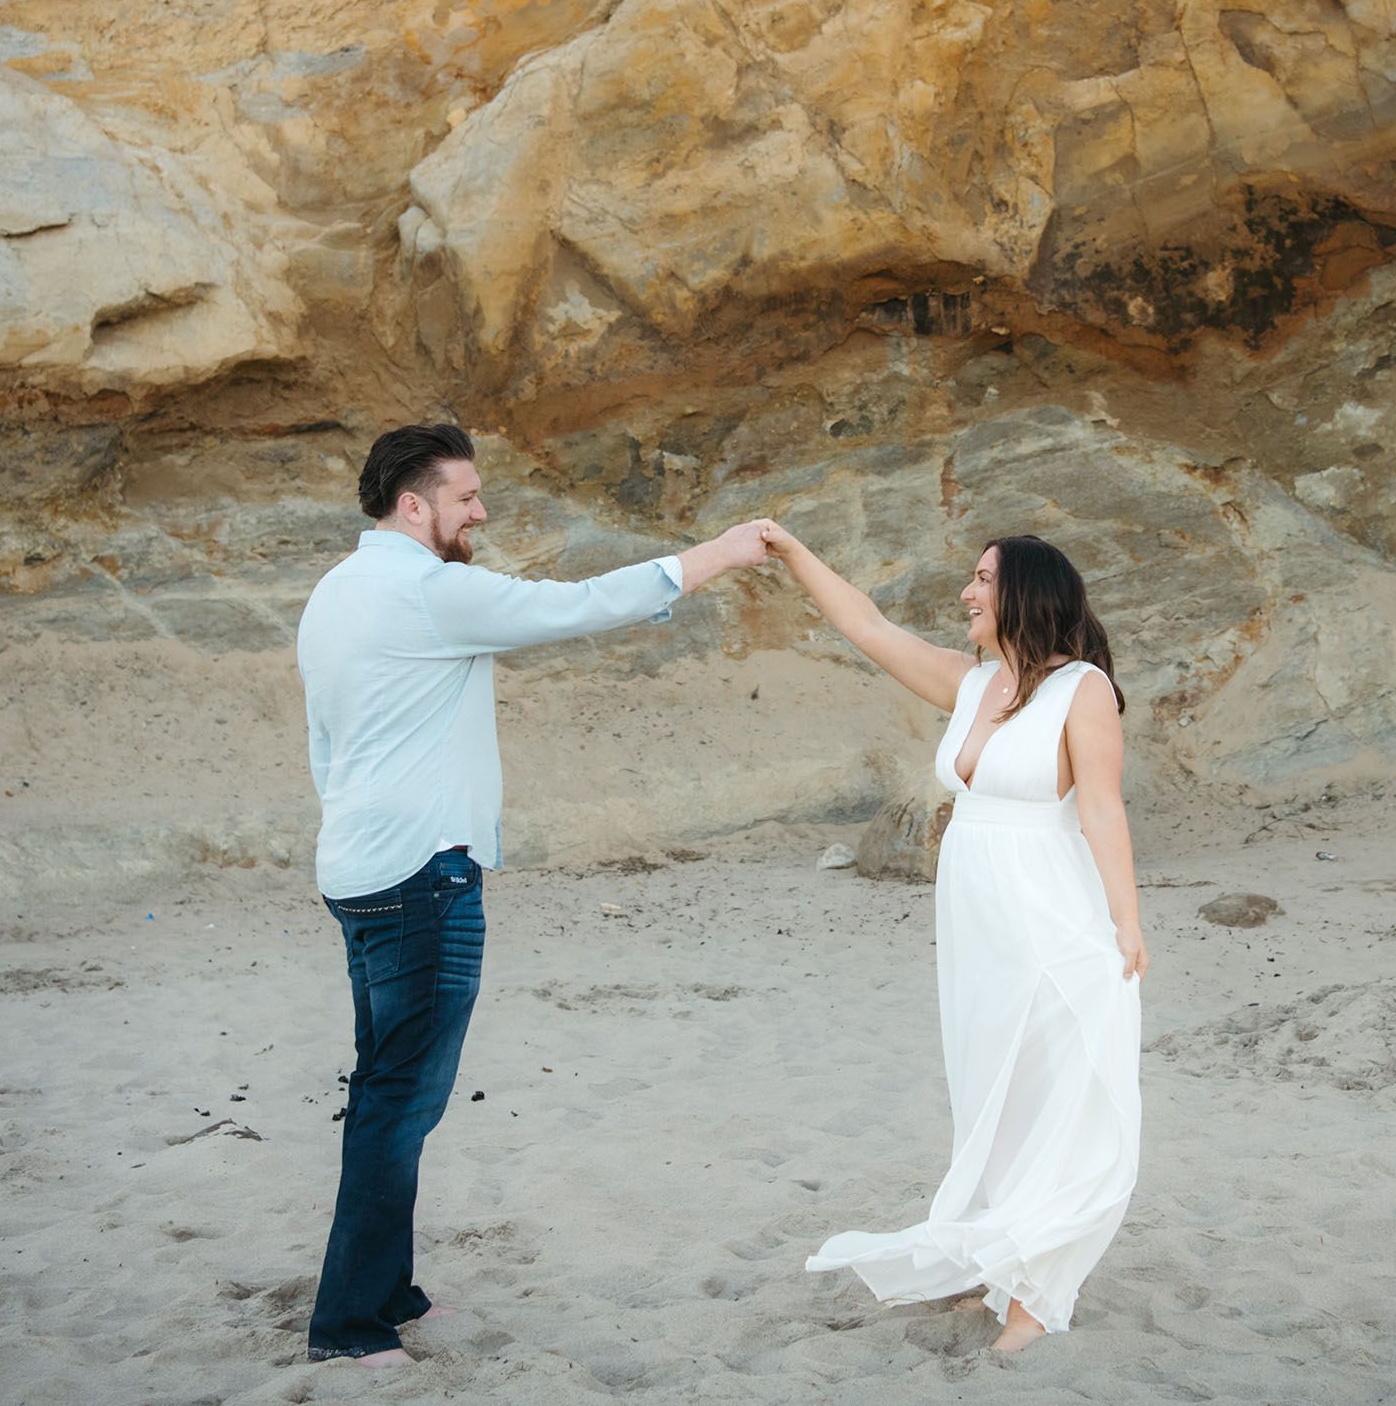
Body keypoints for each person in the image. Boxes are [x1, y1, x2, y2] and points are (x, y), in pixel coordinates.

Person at [294, 421, 771, 1367]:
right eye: (466, 497)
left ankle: (386, 1290)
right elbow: (578, 606)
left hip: (357, 869)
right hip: (422, 876)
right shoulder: (432, 591)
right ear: (413, 505)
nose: (482, 511)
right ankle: (349, 1325)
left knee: (386, 1088)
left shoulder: (332, 594)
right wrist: (723, 552)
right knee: (398, 1101)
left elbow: (326, 745)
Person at [773, 525, 1145, 1353]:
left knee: (1059, 1094)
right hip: (979, 929)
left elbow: (1102, 808)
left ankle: (1036, 1295)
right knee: (995, 1095)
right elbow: (867, 627)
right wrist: (796, 552)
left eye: (983, 580)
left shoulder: (1082, 689)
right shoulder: (971, 682)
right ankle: (999, 1263)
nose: (968, 593)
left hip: (1051, 917)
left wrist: (1126, 922)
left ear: (1025, 594)